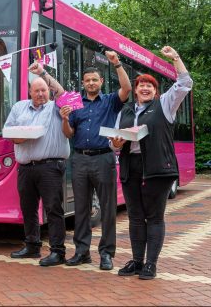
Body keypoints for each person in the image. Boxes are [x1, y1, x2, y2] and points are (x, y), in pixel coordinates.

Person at [110, 46, 192, 280]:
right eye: (141, 85)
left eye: (150, 86)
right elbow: (115, 143)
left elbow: (185, 83)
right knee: (135, 216)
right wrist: (116, 143)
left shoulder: (166, 104)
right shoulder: (125, 111)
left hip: (157, 169)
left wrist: (176, 58)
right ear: (135, 90)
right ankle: (137, 261)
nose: (145, 88)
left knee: (154, 217)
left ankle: (151, 264)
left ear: (156, 91)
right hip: (130, 167)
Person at [60, 50, 131, 270]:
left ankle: (106, 253)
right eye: (87, 80)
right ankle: (82, 252)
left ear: (101, 81)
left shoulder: (110, 101)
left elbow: (127, 89)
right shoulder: (74, 103)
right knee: (81, 209)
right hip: (80, 159)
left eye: (94, 80)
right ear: (83, 83)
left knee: (108, 208)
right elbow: (69, 133)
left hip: (104, 159)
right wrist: (64, 119)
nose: (91, 83)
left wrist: (117, 64)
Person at [4, 61, 71, 267]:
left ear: (48, 92)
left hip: (50, 166)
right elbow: (8, 131)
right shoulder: (19, 107)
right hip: (25, 167)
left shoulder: (56, 106)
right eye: (37, 90)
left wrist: (43, 73)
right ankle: (32, 245)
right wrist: (20, 138)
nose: (41, 94)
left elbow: (64, 94)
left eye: (44, 90)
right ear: (30, 92)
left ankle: (58, 251)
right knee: (28, 208)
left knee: (53, 209)